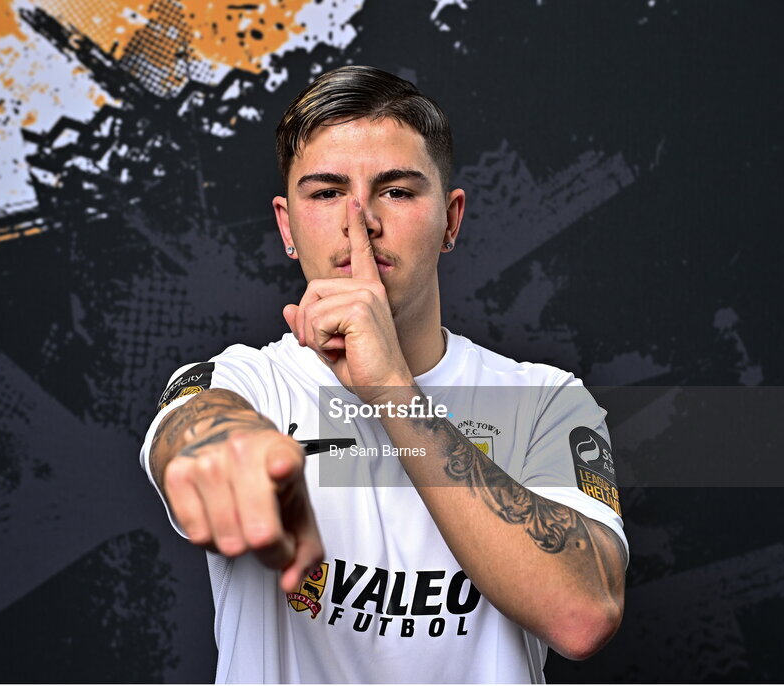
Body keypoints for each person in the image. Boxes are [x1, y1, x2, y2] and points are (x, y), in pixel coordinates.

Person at [139, 65, 627, 683]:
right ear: (287, 226)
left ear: (451, 220)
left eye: (396, 191)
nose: (360, 220)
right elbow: (196, 426)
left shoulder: (543, 400)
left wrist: (392, 388)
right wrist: (223, 451)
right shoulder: (246, 382)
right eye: (324, 194)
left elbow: (583, 616)